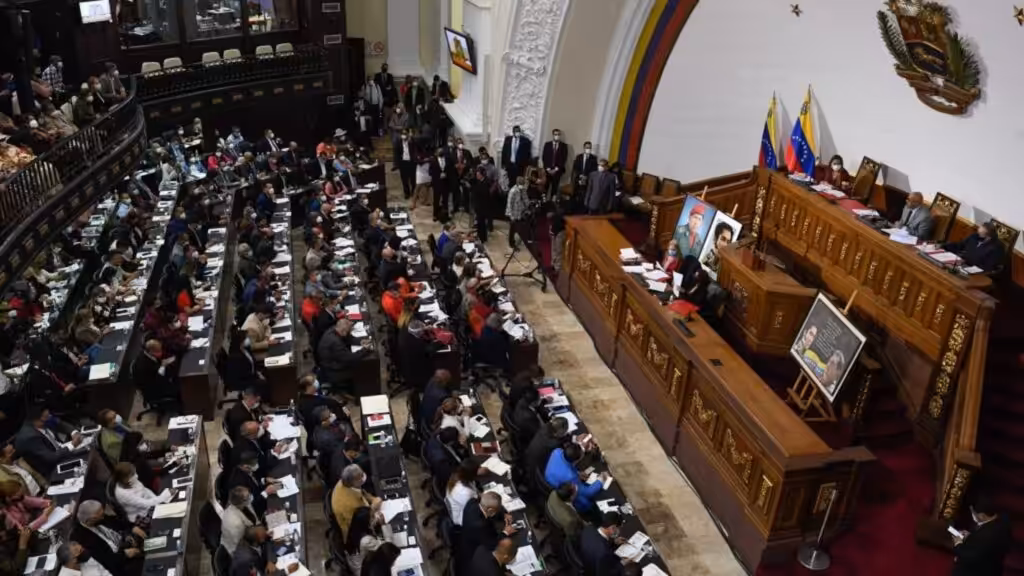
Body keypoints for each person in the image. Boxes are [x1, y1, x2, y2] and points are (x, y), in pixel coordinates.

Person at [71, 500, 145, 573]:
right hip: (119, 564)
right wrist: (125, 554)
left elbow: (118, 522)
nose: (104, 517)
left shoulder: (98, 516)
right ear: (91, 520)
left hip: (125, 544)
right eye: (101, 516)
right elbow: (105, 561)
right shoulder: (81, 538)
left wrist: (132, 528)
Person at [951, 493, 1012, 576]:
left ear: (982, 515)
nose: (973, 516)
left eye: (973, 514)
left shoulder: (988, 536)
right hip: (991, 565)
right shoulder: (1001, 521)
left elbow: (969, 557)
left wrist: (958, 543)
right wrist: (971, 535)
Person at [14, 407, 85, 477]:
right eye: (47, 417)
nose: (50, 418)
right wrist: (72, 445)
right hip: (53, 469)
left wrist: (74, 432)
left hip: (61, 452)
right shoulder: (30, 437)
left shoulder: (43, 420)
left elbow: (60, 424)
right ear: (40, 418)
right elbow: (51, 458)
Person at [459, 492, 518, 574]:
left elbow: (492, 510)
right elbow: (492, 544)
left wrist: (503, 514)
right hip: (473, 551)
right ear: (490, 510)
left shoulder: (472, 502)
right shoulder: (480, 526)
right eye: (496, 510)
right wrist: (505, 532)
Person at [545, 443, 606, 514]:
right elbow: (588, 492)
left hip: (549, 480)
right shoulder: (571, 476)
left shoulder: (557, 451)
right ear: (576, 461)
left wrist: (577, 473)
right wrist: (601, 479)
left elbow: (563, 466)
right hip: (563, 491)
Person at [318, 318, 372, 396]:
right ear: (343, 331)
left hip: (330, 363)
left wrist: (360, 341)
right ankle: (358, 394)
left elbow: (347, 338)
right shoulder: (335, 342)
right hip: (334, 369)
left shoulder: (335, 329)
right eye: (347, 332)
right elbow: (350, 358)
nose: (348, 333)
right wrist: (365, 350)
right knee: (361, 368)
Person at [332, 464, 381, 541]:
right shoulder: (350, 504)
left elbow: (362, 493)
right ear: (352, 482)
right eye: (360, 479)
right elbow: (361, 522)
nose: (363, 479)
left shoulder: (344, 482)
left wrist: (372, 499)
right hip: (355, 530)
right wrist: (373, 509)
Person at [227, 452, 280, 518]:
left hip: (260, 495)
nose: (256, 465)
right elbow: (250, 504)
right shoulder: (239, 483)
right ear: (245, 466)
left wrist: (265, 480)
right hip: (257, 511)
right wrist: (266, 493)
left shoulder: (245, 470)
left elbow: (254, 482)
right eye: (254, 464)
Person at [579, 512, 628, 576]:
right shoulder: (603, 552)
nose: (619, 531)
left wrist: (614, 543)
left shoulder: (589, 529)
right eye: (619, 528)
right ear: (612, 528)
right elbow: (606, 573)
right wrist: (622, 564)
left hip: (586, 559)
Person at [345, 506, 386, 574]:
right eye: (372, 517)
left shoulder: (355, 528)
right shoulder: (366, 541)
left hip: (359, 562)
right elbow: (388, 548)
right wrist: (383, 524)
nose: (375, 517)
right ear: (365, 522)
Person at [220, 486, 258, 554]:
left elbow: (254, 518)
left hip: (248, 533)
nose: (250, 496)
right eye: (248, 496)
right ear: (242, 501)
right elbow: (241, 543)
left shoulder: (241, 504)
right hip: (238, 548)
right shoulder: (235, 523)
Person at [446, 458, 480, 526]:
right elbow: (476, 509)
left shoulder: (456, 475)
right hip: (462, 519)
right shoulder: (465, 493)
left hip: (459, 507)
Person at [430, 146, 455, 221]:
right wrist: (438, 175)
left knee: (445, 200)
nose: (440, 152)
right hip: (437, 183)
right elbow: (430, 172)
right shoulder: (433, 160)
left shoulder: (448, 160)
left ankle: (445, 214)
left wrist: (446, 174)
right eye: (439, 151)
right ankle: (435, 214)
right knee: (436, 200)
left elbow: (451, 170)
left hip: (446, 182)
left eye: (441, 151)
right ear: (436, 153)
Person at [506, 176, 529, 250]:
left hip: (521, 212)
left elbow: (525, 200)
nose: (522, 186)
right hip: (514, 214)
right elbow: (509, 204)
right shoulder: (513, 191)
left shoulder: (523, 190)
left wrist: (528, 206)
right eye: (521, 184)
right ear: (517, 183)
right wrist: (511, 216)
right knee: (512, 230)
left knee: (520, 227)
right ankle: (511, 243)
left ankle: (520, 240)